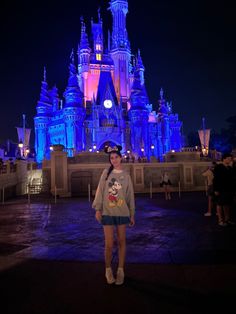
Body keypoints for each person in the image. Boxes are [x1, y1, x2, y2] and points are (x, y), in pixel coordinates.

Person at [92, 145, 135, 285]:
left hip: (122, 212)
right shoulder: (106, 173)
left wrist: (132, 214)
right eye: (112, 158)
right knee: (109, 244)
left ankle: (121, 271)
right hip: (108, 212)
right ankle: (108, 269)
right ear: (109, 160)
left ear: (121, 158)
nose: (114, 160)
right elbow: (100, 191)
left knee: (122, 241)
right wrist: (98, 209)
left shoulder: (126, 175)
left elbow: (130, 197)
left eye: (116, 157)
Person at [213, 152, 234, 226]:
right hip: (221, 189)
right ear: (224, 159)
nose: (230, 160)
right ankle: (220, 220)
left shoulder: (230, 168)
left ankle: (227, 219)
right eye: (229, 159)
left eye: (231, 159)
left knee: (227, 204)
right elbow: (216, 179)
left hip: (228, 189)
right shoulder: (218, 167)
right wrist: (216, 189)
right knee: (220, 204)